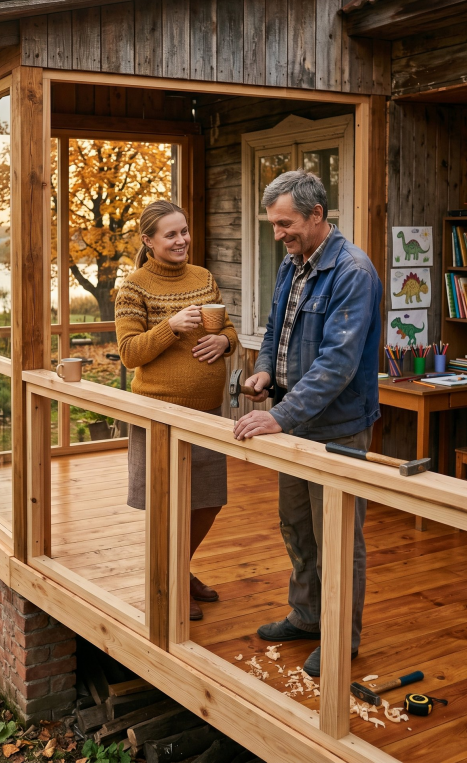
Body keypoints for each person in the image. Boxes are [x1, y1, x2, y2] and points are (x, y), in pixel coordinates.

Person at [233, 170, 381, 677]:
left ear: (318, 215)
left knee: (337, 536)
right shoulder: (293, 264)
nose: (278, 234)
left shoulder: (351, 272)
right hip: (294, 420)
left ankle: (343, 637)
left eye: (285, 224)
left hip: (337, 427)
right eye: (274, 225)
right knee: (297, 526)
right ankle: (308, 615)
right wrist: (264, 370)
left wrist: (278, 415)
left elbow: (338, 364)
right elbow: (277, 327)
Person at [115, 200, 238, 621]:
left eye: (184, 231)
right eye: (171, 234)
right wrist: (171, 327)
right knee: (167, 505)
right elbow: (130, 353)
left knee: (207, 502)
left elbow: (228, 328)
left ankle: (179, 571)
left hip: (207, 414)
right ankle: (167, 583)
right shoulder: (134, 287)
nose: (182, 240)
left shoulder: (203, 277)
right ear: (148, 241)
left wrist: (225, 343)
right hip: (160, 416)